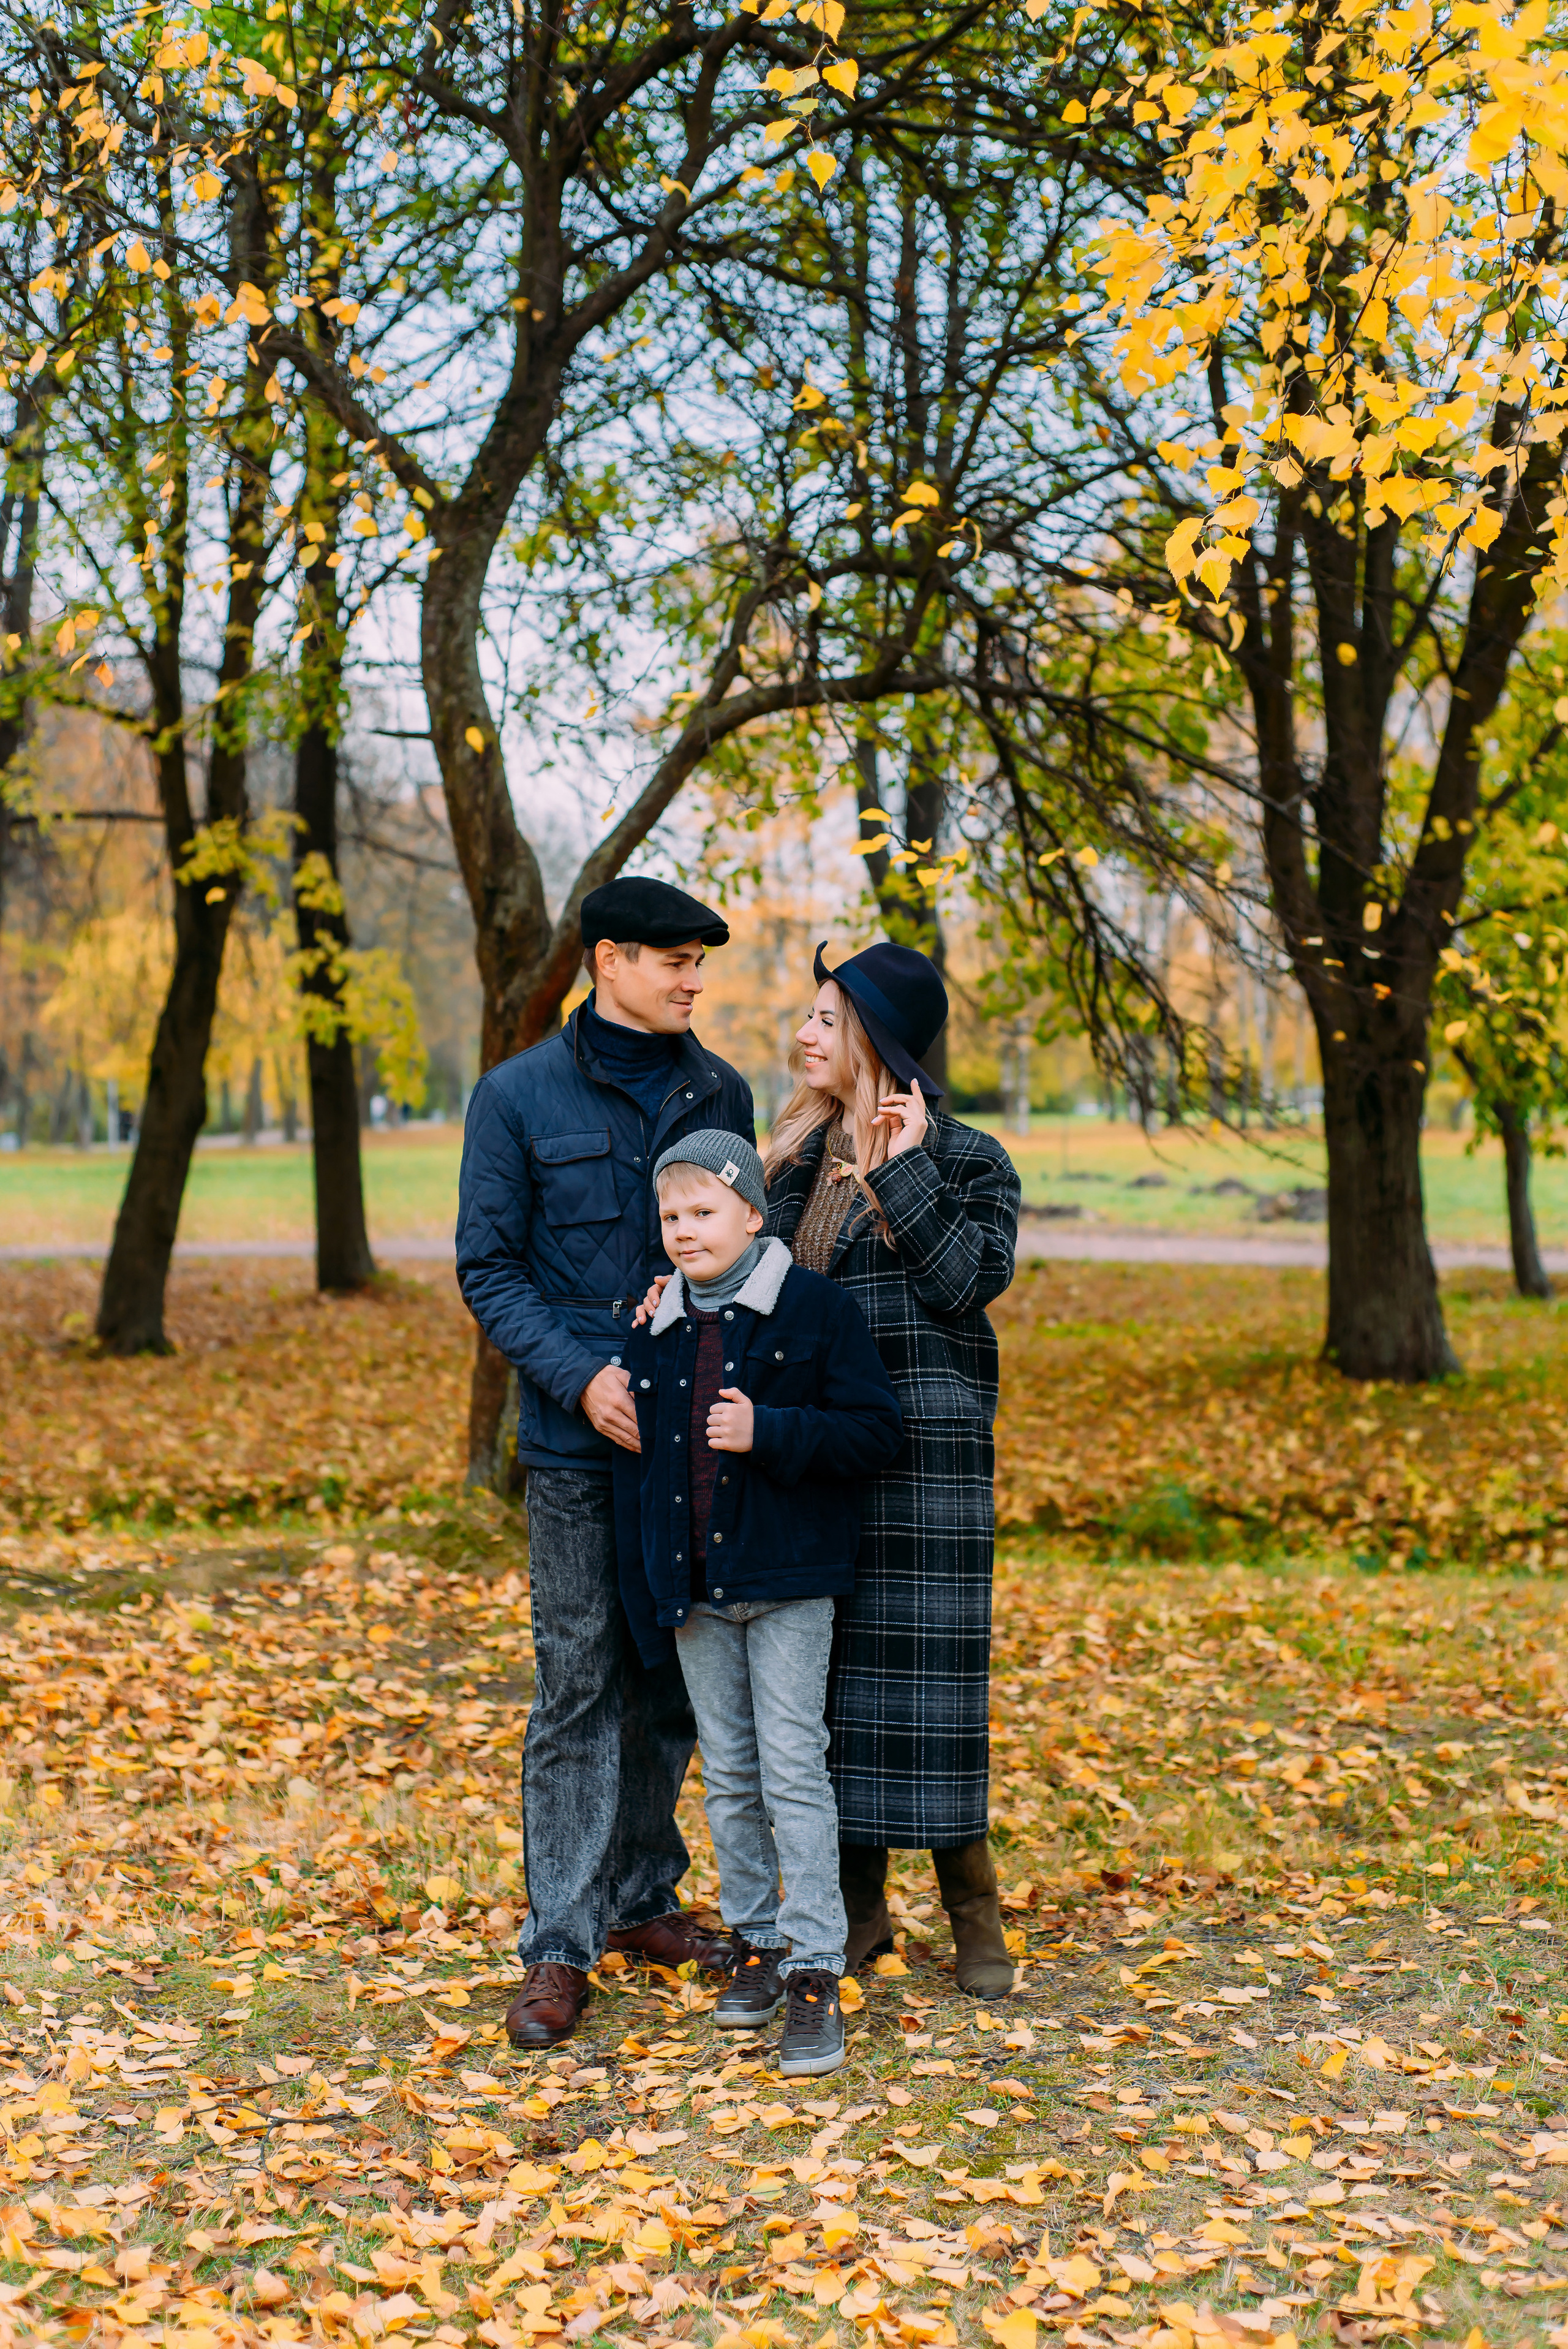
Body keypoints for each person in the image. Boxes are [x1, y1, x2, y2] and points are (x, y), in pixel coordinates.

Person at [456, 876, 756, 2049]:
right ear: (610, 961)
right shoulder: (517, 1095)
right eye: (676, 959)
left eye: (700, 963)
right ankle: (559, 1946)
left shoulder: (717, 1091)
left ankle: (640, 1901)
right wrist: (584, 1376)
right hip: (578, 1447)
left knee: (674, 1678)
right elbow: (490, 1269)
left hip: (694, 1450)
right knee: (578, 1679)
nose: (694, 979)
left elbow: (748, 1251)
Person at [762, 942, 1022, 1996]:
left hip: (930, 1463)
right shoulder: (792, 1160)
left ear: (875, 1035)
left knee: (936, 1695)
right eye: (809, 1016)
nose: (807, 1033)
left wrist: (901, 1168)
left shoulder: (967, 1158)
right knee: (831, 1692)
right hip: (820, 1455)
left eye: (829, 1018)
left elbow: (969, 1281)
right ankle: (860, 1905)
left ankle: (973, 1902)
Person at [622, 1130, 903, 2076]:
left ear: (752, 1213)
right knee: (731, 1776)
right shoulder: (658, 1325)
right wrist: (655, 1579)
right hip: (698, 1590)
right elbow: (652, 1471)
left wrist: (767, 1429)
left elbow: (873, 1431)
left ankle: (817, 1965)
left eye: (704, 1211)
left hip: (787, 1583)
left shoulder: (812, 1310)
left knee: (792, 1769)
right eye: (671, 1215)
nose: (685, 1230)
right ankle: (759, 1943)